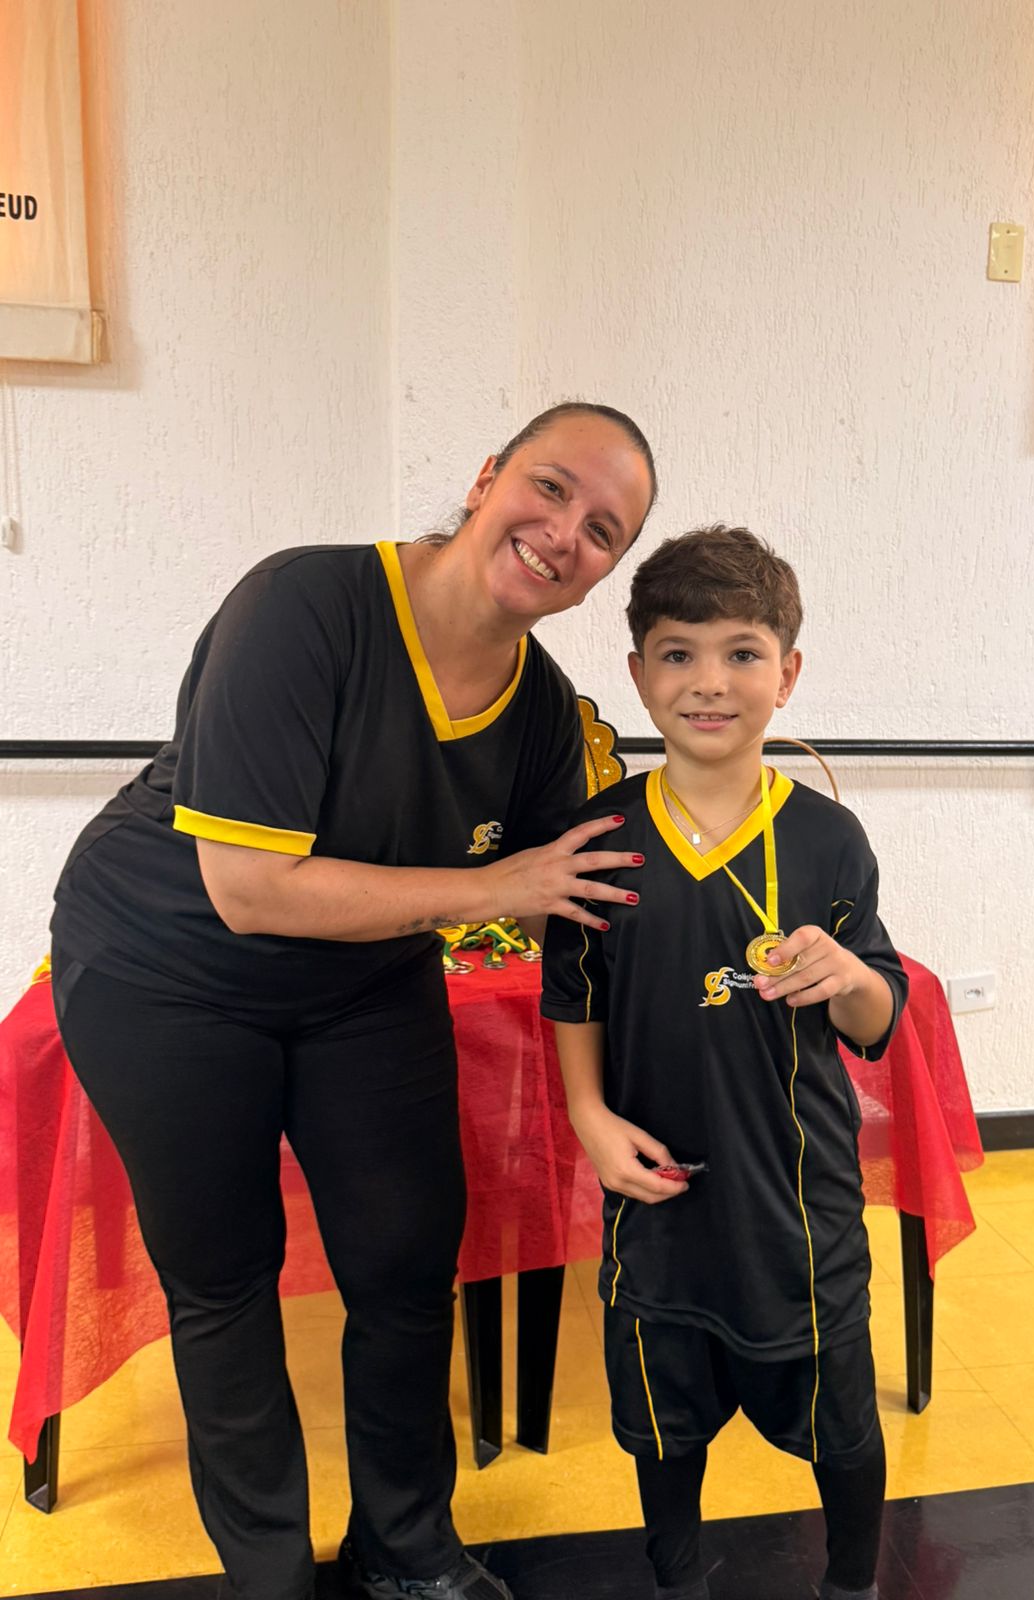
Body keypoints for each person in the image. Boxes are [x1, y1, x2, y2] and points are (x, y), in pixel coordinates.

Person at [48, 402, 657, 1600]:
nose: (563, 533)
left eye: (602, 530)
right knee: (225, 1277)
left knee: (405, 1261)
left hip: (363, 981)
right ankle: (269, 1574)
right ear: (485, 477)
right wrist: (492, 886)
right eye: (549, 488)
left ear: (604, 574)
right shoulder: (305, 606)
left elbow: (572, 898)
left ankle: (407, 1546)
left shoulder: (540, 711)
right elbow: (249, 887)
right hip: (166, 965)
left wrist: (742, 931)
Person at [541, 526, 908, 1600]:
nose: (709, 682)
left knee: (844, 1428)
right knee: (663, 1429)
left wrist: (846, 972)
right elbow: (573, 994)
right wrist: (587, 1115)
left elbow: (879, 1016)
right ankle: (678, 1580)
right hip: (658, 1202)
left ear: (786, 673)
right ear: (637, 673)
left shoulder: (830, 840)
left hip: (799, 1207)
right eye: (678, 652)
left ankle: (852, 1582)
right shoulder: (598, 836)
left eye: (742, 652)